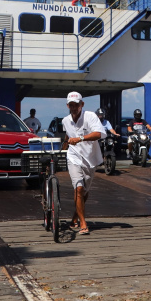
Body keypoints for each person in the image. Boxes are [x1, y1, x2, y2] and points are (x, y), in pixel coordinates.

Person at [61, 91, 106, 235]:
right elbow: (68, 135)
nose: (74, 108)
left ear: (82, 104)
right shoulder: (65, 120)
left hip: (90, 159)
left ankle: (75, 216)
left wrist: (80, 138)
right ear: (68, 105)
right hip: (73, 157)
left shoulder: (90, 116)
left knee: (84, 191)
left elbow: (98, 134)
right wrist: (62, 150)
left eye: (77, 105)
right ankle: (83, 224)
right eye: (71, 105)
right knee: (78, 188)